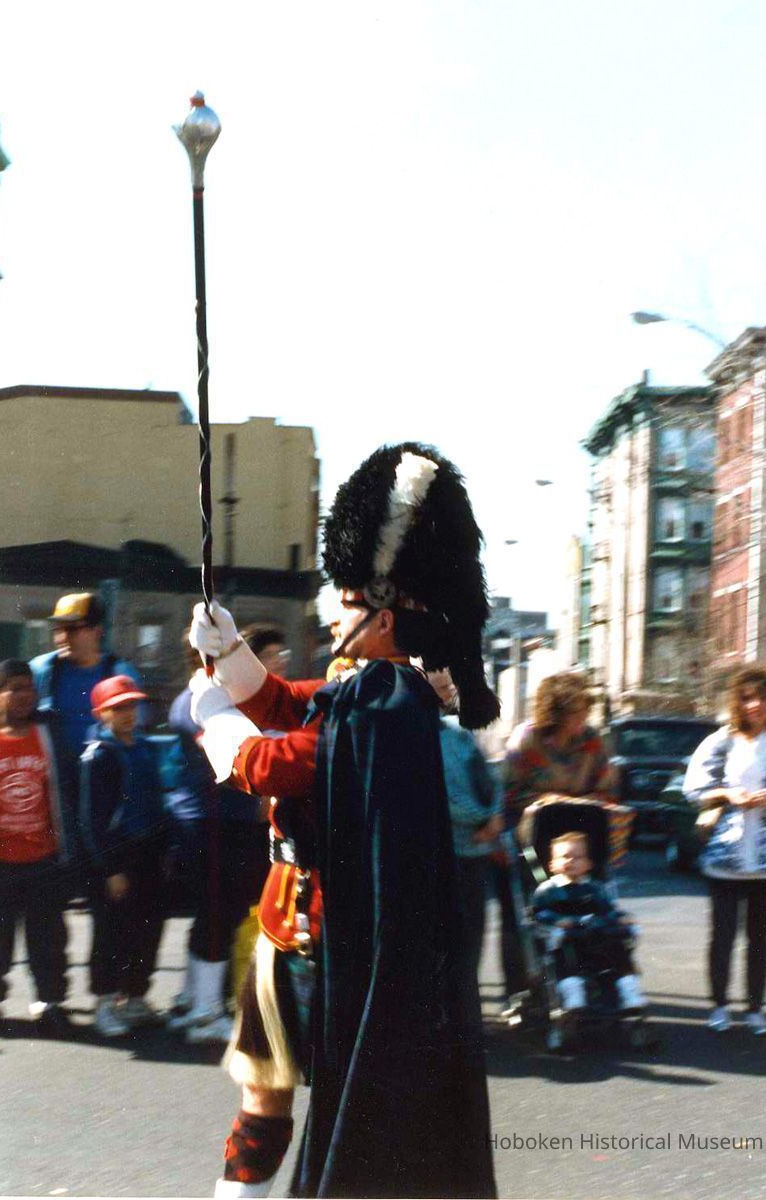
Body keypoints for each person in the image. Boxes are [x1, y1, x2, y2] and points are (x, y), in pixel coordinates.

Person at [190, 443, 498, 1199]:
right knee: (261, 1100)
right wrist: (228, 655)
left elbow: (284, 760)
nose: (334, 613)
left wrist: (223, 739)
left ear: (384, 615)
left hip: (333, 949)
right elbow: (288, 701)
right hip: (287, 927)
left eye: (350, 603)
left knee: (323, 1111)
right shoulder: (362, 686)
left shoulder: (386, 701)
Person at [683, 665, 766, 1036]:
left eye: (764, 698)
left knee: (759, 938)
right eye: (749, 698)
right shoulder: (721, 741)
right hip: (726, 854)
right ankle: (719, 1006)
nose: (756, 705)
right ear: (738, 701)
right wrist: (728, 794)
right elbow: (694, 789)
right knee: (721, 937)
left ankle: (755, 1009)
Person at [164, 633, 272, 1043]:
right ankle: (205, 1013)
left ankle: (192, 1001)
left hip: (213, 820)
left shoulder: (202, 695)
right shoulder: (204, 698)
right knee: (219, 915)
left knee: (211, 915)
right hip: (215, 821)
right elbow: (230, 755)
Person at [498, 671, 621, 1013]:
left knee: (587, 907)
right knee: (531, 910)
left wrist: (590, 800)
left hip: (579, 840)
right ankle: (520, 992)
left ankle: (585, 982)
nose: (581, 721)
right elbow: (508, 793)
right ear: (555, 712)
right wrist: (545, 799)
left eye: (585, 713)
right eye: (574, 713)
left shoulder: (593, 742)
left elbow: (608, 788)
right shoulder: (528, 739)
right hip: (532, 842)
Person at [0, 660, 76, 1038]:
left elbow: (66, 795)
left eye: (29, 688)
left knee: (48, 941)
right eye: (14, 688)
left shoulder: (49, 734)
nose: (23, 696)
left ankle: (50, 1004)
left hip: (44, 861)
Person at [79, 675, 170, 1038]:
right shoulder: (97, 755)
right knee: (111, 932)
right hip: (117, 857)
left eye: (132, 705)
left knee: (149, 927)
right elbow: (92, 819)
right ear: (102, 713)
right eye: (119, 708)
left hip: (149, 851)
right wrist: (110, 869)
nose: (129, 713)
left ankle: (135, 996)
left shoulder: (146, 747)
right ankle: (104, 1002)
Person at [434, 670, 505, 984]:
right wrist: (483, 818)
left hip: (475, 848)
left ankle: (466, 1013)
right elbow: (443, 796)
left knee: (472, 938)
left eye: (450, 685)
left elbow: (492, 778)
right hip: (445, 850)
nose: (448, 692)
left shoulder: (459, 732)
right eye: (441, 686)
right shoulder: (421, 736)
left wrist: (494, 816)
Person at [530, 831, 645, 1023]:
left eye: (578, 857)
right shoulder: (548, 890)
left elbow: (608, 910)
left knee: (619, 951)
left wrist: (621, 917)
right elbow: (538, 912)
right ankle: (573, 995)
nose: (571, 861)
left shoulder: (595, 888)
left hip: (597, 937)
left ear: (589, 864)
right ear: (552, 864)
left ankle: (628, 989)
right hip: (566, 940)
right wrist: (556, 919)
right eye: (565, 857)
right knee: (565, 960)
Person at [30, 592, 142, 761]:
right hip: (57, 778)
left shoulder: (122, 674)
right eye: (57, 629)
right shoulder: (41, 670)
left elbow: (135, 734)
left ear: (97, 631)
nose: (62, 638)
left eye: (71, 629)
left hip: (104, 775)